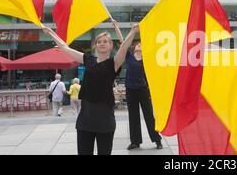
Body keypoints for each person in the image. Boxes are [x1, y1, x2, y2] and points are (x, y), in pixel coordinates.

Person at [42, 22, 139, 155]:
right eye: (99, 41)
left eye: (105, 41)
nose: (102, 43)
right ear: (95, 45)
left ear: (111, 45)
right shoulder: (88, 59)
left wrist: (133, 31)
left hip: (105, 118)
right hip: (85, 117)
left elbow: (124, 46)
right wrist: (51, 33)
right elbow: (65, 47)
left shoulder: (114, 63)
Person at [112, 20, 163, 150]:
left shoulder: (147, 58)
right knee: (133, 116)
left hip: (142, 89)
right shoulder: (128, 55)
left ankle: (157, 139)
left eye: (141, 44)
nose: (139, 45)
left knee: (149, 115)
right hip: (130, 89)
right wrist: (115, 25)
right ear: (134, 48)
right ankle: (135, 142)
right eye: (137, 44)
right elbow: (122, 41)